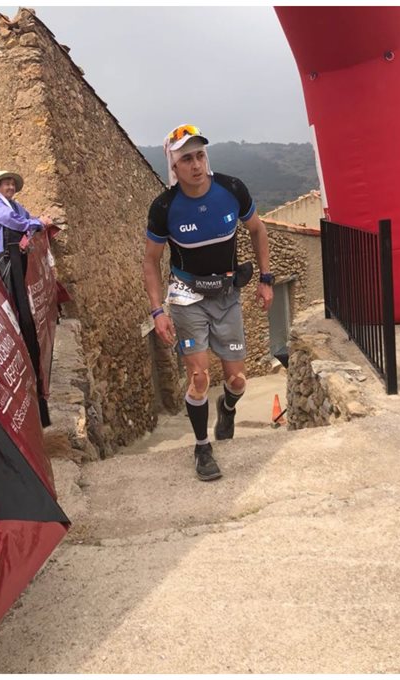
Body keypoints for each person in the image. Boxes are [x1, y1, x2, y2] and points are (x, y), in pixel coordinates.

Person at [143, 124, 274, 482]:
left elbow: (258, 230)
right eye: (186, 158)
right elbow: (151, 262)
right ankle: (202, 447)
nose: (196, 165)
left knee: (237, 381)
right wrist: (158, 310)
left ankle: (227, 408)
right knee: (199, 378)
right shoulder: (165, 207)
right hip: (187, 298)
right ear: (174, 165)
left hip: (227, 295)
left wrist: (265, 279)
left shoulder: (231, 190)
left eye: (200, 155)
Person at [0, 170, 54, 253]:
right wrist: (40, 223)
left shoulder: (13, 204)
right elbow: (11, 219)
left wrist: (41, 219)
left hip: (16, 251)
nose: (11, 187)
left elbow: (26, 217)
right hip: (3, 254)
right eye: (7, 184)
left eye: (13, 184)